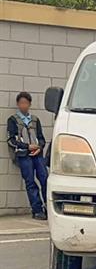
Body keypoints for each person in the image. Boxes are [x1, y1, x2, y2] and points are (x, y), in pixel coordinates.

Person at [7, 92, 48, 220]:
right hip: (24, 155)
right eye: (21, 103)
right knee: (30, 182)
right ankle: (37, 210)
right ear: (17, 104)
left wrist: (39, 147)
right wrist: (27, 147)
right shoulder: (12, 120)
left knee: (45, 178)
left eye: (26, 103)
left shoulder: (35, 120)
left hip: (37, 154)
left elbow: (41, 138)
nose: (23, 105)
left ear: (30, 104)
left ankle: (48, 207)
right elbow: (11, 140)